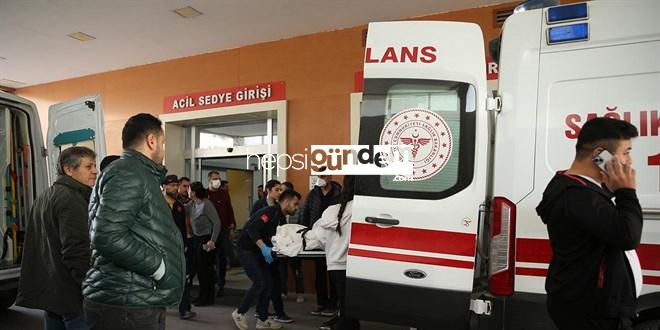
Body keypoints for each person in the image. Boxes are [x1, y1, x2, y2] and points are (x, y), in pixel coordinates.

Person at [535, 117, 642, 330]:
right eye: (626, 152)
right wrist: (626, 192)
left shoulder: (575, 187)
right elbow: (628, 236)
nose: (629, 161)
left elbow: (597, 218)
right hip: (592, 312)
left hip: (587, 305)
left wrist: (612, 188)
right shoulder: (577, 196)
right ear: (599, 155)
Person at [83, 113, 184, 330]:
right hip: (128, 302)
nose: (163, 149)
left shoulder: (135, 173)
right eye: (163, 142)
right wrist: (158, 267)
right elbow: (108, 236)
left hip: (134, 297)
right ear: (151, 140)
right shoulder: (129, 173)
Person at [16, 146, 97, 330]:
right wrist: (89, 286)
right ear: (69, 169)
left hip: (51, 291)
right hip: (71, 294)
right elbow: (76, 248)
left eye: (94, 165)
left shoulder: (46, 195)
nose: (95, 171)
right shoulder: (71, 198)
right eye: (89, 166)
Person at [232, 189, 302, 330]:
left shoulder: (281, 218)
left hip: (259, 251)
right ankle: (240, 312)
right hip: (247, 249)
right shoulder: (269, 212)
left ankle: (262, 319)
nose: (297, 208)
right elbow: (252, 229)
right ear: (286, 201)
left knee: (269, 283)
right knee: (260, 282)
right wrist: (264, 248)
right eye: (295, 204)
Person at [312, 175, 360, 330]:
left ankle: (350, 324)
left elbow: (320, 237)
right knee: (349, 305)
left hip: (333, 265)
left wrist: (331, 248)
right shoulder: (359, 208)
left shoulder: (329, 211)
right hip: (351, 264)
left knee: (344, 302)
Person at [249, 179, 293, 323]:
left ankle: (279, 312)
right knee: (265, 281)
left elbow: (283, 227)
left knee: (275, 280)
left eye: (281, 190)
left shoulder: (279, 208)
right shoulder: (259, 205)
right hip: (260, 248)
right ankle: (261, 310)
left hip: (273, 248)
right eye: (277, 190)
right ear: (268, 190)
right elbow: (253, 227)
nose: (280, 192)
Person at [301, 169, 342, 317]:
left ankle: (333, 304)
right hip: (317, 236)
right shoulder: (313, 193)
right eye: (319, 176)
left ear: (330, 176)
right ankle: (321, 303)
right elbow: (305, 212)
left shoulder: (339, 193)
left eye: (323, 176)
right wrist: (305, 231)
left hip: (334, 237)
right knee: (319, 272)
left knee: (334, 272)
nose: (321, 179)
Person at [161, 174, 196, 320]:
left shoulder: (179, 206)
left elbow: (182, 228)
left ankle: (184, 308)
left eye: (176, 185)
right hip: (161, 249)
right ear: (164, 186)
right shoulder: (157, 205)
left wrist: (185, 245)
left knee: (183, 278)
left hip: (177, 249)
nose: (175, 188)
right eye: (172, 185)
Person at [189, 181, 221, 306]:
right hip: (197, 239)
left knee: (206, 270)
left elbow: (217, 223)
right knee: (199, 269)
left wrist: (212, 240)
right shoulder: (192, 204)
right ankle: (202, 295)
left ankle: (208, 297)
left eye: (189, 189)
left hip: (207, 239)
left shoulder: (207, 204)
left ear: (194, 192)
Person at [207, 170, 237, 297]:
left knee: (222, 258)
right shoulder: (205, 194)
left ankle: (221, 284)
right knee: (209, 258)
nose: (217, 181)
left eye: (218, 178)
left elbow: (229, 209)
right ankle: (210, 283)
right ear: (209, 180)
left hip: (224, 230)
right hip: (209, 232)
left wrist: (232, 227)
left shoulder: (224, 194)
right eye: (214, 178)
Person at [281, 181, 305, 304]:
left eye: (283, 190)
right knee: (282, 269)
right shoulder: (278, 209)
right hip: (282, 243)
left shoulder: (299, 207)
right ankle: (283, 292)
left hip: (295, 243)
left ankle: (300, 292)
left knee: (296, 269)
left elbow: (302, 225)